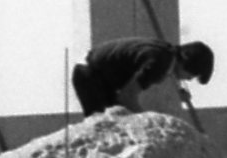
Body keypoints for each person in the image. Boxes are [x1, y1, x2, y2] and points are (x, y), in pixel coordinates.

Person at [67, 36, 214, 117]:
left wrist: (180, 90)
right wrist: (148, 122)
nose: (188, 79)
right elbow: (127, 97)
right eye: (192, 75)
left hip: (96, 73)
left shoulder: (166, 53)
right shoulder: (160, 62)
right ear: (186, 63)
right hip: (90, 74)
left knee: (117, 118)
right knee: (100, 123)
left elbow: (166, 70)